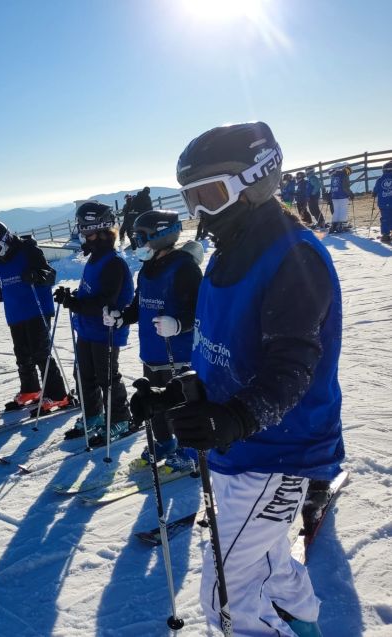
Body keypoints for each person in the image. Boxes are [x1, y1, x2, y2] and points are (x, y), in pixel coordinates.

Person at [159, 121, 344, 636]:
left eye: (211, 195)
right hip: (242, 445)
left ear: (258, 180)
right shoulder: (230, 251)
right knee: (265, 561)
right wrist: (179, 392)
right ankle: (304, 624)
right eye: (190, 199)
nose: (200, 213)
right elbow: (226, 350)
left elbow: (292, 364)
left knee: (225, 595)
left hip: (277, 446)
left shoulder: (292, 256)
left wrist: (235, 417)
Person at [105, 210, 202, 472]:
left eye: (141, 237)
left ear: (161, 236)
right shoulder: (146, 270)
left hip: (179, 353)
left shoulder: (185, 269)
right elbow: (139, 305)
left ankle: (190, 450)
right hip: (152, 352)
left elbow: (200, 309)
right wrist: (122, 318)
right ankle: (164, 443)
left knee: (180, 404)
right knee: (153, 403)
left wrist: (178, 324)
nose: (136, 242)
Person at [54, 200, 133, 446]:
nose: (83, 236)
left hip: (106, 330)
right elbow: (90, 293)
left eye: (86, 231)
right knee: (84, 376)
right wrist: (73, 297)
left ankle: (121, 418)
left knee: (106, 377)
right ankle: (94, 416)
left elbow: (104, 301)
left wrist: (75, 304)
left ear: (101, 232)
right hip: (88, 329)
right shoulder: (96, 258)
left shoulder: (113, 263)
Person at [0, 220, 69, 412]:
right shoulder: (0, 262)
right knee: (22, 355)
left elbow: (50, 275)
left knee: (40, 353)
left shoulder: (28, 250)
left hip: (37, 309)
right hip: (16, 314)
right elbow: (3, 292)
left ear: (7, 238)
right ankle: (31, 390)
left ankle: (59, 395)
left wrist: (36, 275)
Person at [328, 163, 354, 233]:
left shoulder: (334, 175)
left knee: (336, 211)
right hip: (342, 196)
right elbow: (345, 187)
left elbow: (332, 186)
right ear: (348, 171)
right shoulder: (344, 175)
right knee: (343, 210)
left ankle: (334, 225)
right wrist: (350, 194)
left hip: (334, 196)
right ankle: (342, 225)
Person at [372, 160, 392, 243]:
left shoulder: (379, 180)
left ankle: (385, 235)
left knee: (385, 218)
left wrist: (374, 194)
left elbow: (375, 191)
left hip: (383, 204)